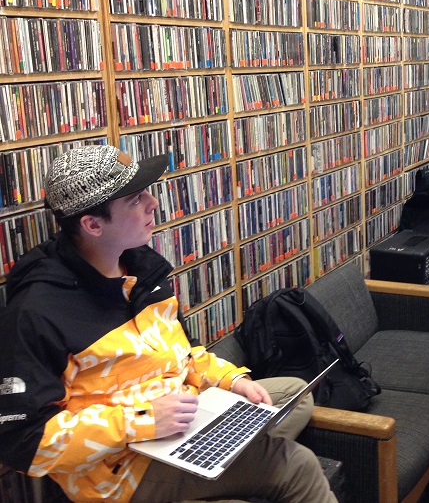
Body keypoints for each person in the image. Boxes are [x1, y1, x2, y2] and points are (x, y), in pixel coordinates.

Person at [0, 145, 336, 503]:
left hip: (181, 421)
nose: (153, 203)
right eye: (134, 199)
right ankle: (235, 464)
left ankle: (222, 457)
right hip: (124, 469)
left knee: (293, 396)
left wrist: (230, 380)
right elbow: (25, 441)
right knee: (296, 464)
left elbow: (181, 355)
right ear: (93, 224)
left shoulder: (142, 269)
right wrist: (140, 421)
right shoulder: (37, 312)